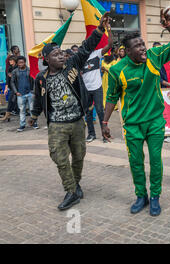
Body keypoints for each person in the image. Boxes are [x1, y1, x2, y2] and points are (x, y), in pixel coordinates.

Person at [102, 9, 170, 216]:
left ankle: (155, 196)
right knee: (136, 163)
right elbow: (112, 98)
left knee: (156, 161)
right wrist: (104, 123)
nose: (142, 48)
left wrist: (168, 26)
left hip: (155, 122)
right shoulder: (117, 70)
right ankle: (141, 196)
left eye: (142, 44)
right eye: (137, 46)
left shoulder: (154, 56)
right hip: (132, 125)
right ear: (127, 51)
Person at [29, 12, 110, 211]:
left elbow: (86, 47)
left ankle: (75, 185)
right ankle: (71, 191)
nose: (62, 56)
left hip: (76, 122)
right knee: (59, 157)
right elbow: (38, 99)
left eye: (62, 53)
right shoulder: (41, 77)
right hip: (57, 125)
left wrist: (100, 29)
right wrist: (33, 116)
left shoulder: (72, 65)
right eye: (56, 55)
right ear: (46, 59)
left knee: (79, 155)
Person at [82, 25, 114, 143]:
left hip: (97, 87)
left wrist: (109, 30)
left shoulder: (96, 53)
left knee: (100, 111)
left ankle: (104, 134)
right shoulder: (80, 57)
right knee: (88, 112)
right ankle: (91, 134)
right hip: (86, 89)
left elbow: (110, 45)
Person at [10, 56, 37, 132]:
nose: (20, 64)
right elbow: (12, 82)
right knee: (22, 110)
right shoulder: (15, 71)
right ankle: (22, 125)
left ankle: (34, 123)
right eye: (18, 63)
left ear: (25, 62)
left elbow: (35, 81)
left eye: (21, 62)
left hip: (30, 93)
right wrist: (16, 92)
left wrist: (33, 91)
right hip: (20, 94)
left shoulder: (29, 70)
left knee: (32, 109)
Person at [1, 56, 18, 122]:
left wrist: (13, 75)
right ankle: (7, 115)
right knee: (11, 100)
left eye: (11, 60)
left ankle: (8, 114)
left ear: (14, 60)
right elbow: (8, 79)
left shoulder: (18, 67)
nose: (10, 61)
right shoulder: (9, 68)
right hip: (12, 87)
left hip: (19, 86)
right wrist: (5, 88)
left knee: (14, 100)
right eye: (9, 60)